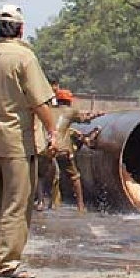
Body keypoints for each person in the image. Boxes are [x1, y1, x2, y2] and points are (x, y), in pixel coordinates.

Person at [0, 4, 57, 278]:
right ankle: (7, 263)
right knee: (15, 204)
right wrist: (52, 130)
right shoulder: (24, 58)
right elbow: (39, 101)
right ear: (20, 29)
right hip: (16, 142)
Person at [40, 80, 102, 213]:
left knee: (40, 175)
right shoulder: (70, 111)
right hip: (62, 150)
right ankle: (80, 207)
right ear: (69, 101)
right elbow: (85, 119)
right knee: (75, 177)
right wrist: (97, 115)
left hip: (46, 147)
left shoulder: (49, 110)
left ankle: (40, 202)